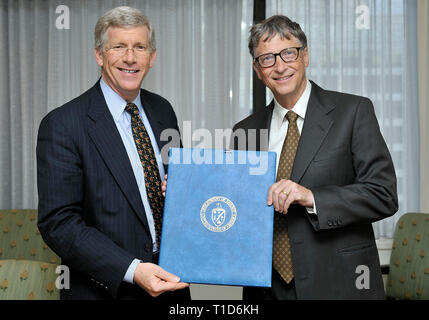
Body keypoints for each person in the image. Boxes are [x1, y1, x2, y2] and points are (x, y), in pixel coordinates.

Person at [232, 15, 398, 300]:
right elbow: (236, 205)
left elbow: (383, 195)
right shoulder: (245, 131)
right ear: (257, 70)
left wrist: (312, 197)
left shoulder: (353, 112)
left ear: (305, 56)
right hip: (265, 289)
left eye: (288, 53)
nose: (280, 66)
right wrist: (188, 191)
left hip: (339, 283)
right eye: (267, 59)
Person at [36, 6, 189, 300]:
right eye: (119, 47)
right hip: (105, 289)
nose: (130, 58)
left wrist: (182, 191)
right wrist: (132, 269)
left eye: (140, 47)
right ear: (99, 55)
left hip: (172, 284)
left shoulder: (163, 110)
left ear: (152, 57)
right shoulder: (63, 124)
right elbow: (59, 223)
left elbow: (176, 187)